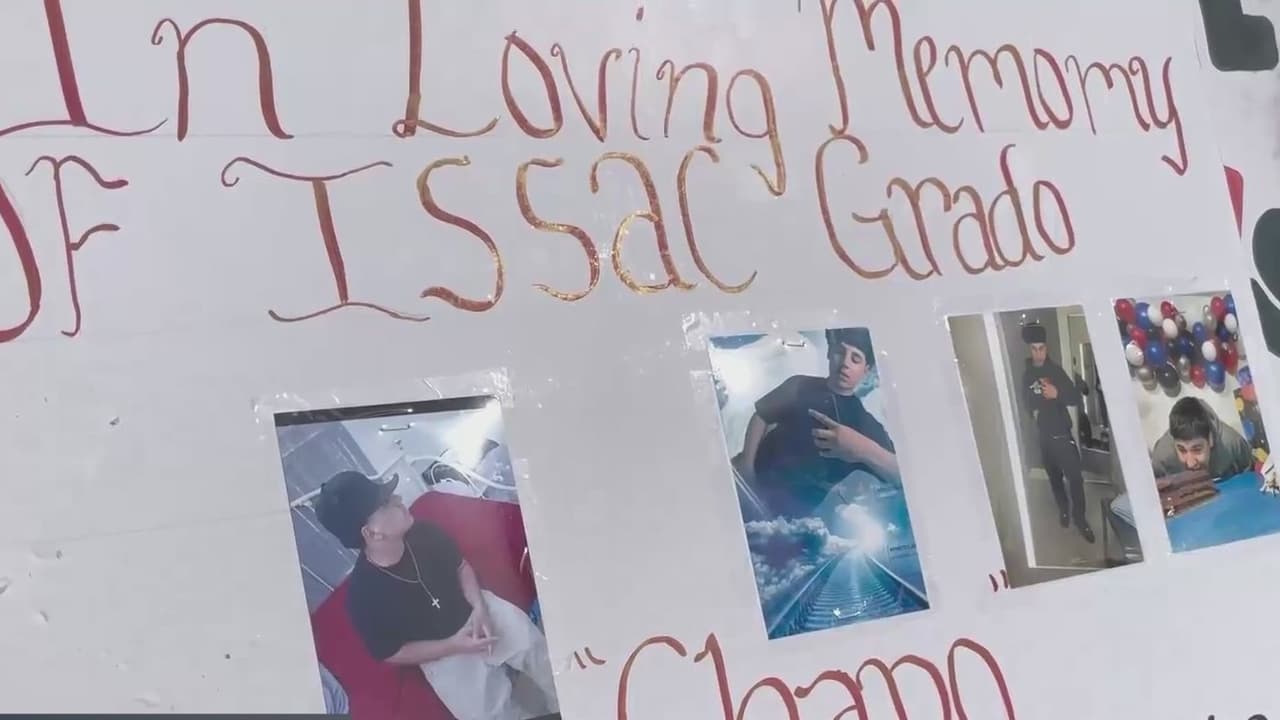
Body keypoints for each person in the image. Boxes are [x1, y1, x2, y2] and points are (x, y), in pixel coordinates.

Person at [315, 471, 558, 720]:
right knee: (491, 715)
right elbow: (392, 652)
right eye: (386, 503)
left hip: (477, 609)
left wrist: (479, 607)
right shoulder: (363, 598)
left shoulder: (423, 531)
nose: (399, 499)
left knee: (541, 654)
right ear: (371, 532)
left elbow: (461, 566)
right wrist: (454, 646)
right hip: (443, 655)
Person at [734, 328, 899, 518]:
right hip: (748, 485)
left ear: (866, 370)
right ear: (829, 353)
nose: (845, 363)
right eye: (840, 352)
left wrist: (860, 447)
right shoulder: (799, 385)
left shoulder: (865, 424)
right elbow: (761, 416)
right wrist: (747, 469)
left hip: (789, 515)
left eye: (855, 359)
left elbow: (899, 473)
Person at [1020, 323, 1094, 543]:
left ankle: (1080, 519)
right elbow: (1025, 400)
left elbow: (1075, 397)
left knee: (1075, 479)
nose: (1038, 353)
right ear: (1030, 349)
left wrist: (1057, 393)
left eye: (1041, 348)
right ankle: (1063, 510)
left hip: (1062, 436)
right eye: (1034, 349)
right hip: (1044, 438)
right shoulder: (1027, 375)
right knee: (1054, 479)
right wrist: (1032, 413)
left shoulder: (1055, 371)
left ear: (1047, 348)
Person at [1150, 397, 1253, 479]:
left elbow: (1250, 477)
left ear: (1210, 439)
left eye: (1197, 449)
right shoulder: (1161, 456)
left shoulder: (1232, 443)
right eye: (1182, 450)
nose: (1190, 463)